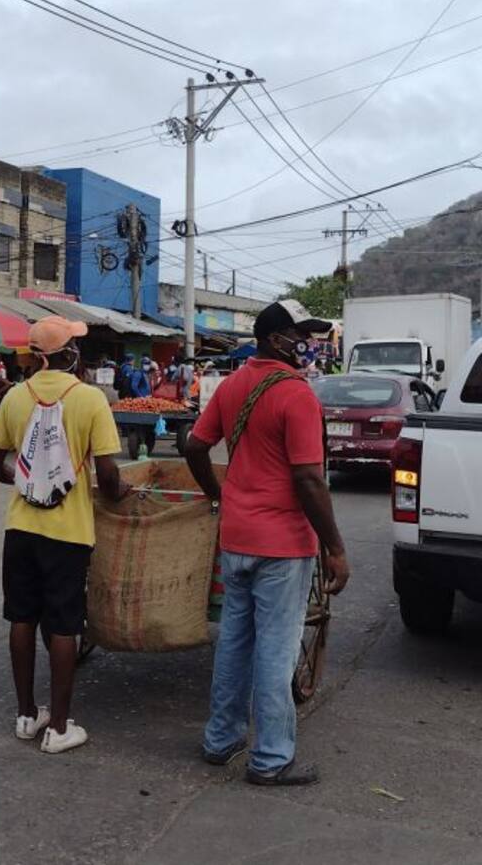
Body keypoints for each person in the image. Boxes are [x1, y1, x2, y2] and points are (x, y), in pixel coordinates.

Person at [184, 299, 351, 787]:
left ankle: (221, 740)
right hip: (282, 545)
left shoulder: (234, 383)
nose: (310, 344)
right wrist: (336, 548)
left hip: (236, 538)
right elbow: (310, 480)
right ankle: (272, 758)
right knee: (276, 652)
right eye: (302, 335)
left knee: (235, 642)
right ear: (276, 339)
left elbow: (195, 445)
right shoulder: (296, 394)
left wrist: (222, 496)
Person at [0, 316, 129, 754]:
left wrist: (28, 483)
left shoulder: (13, 397)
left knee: (21, 617)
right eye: (75, 347)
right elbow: (107, 473)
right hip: (69, 533)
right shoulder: (90, 399)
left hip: (21, 528)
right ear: (66, 355)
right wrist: (122, 493)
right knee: (65, 625)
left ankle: (27, 715)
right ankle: (60, 727)